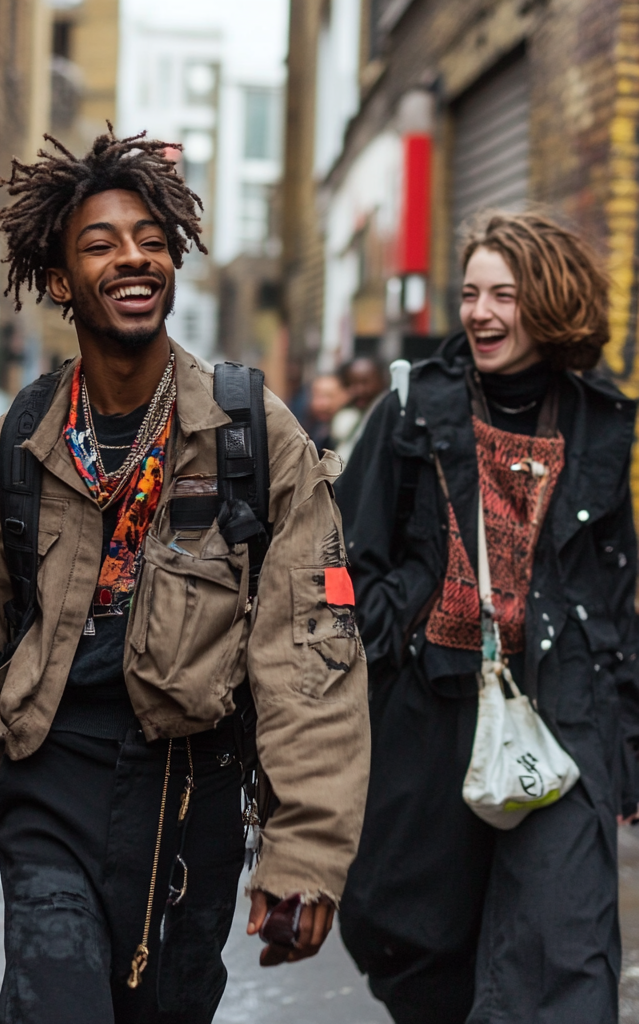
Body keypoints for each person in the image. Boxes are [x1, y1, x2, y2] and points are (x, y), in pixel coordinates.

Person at [0, 126, 369, 1024]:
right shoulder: (17, 446)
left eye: (151, 241)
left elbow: (310, 650)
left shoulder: (253, 433)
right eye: (101, 243)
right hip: (50, 783)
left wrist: (304, 852)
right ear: (58, 280)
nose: (133, 258)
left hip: (190, 797)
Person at [334, 212, 639, 1024]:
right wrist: (408, 613)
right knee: (411, 932)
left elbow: (614, 595)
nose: (481, 312)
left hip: (565, 706)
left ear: (550, 301)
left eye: (505, 293)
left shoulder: (597, 421)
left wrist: (628, 742)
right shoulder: (415, 409)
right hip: (434, 707)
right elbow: (347, 561)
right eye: (470, 293)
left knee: (566, 949)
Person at [331, 358, 388, 465]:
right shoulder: (351, 415)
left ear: (382, 381)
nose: (359, 390)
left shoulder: (386, 417)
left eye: (364, 382)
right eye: (351, 384)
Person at [302, 372, 348, 455]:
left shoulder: (347, 429)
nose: (322, 404)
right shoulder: (310, 426)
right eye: (318, 396)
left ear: (345, 395)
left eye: (329, 396)